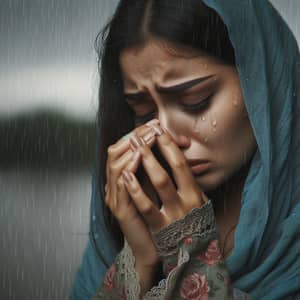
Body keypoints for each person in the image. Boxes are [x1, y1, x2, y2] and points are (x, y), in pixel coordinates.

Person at [70, 0, 300, 299]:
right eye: (142, 111)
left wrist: (193, 260)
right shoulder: (120, 231)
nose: (166, 135)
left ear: (262, 82)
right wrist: (139, 262)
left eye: (196, 101)